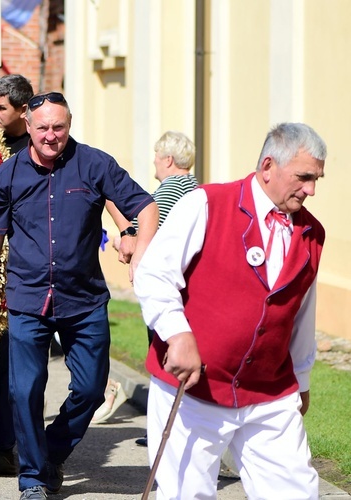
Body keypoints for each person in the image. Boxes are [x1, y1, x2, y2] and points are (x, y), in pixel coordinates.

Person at [0, 91, 158, 500]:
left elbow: (145, 208)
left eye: (59, 127)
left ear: (70, 124)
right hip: (28, 300)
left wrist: (140, 256)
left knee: (92, 390)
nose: (51, 136)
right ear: (28, 125)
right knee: (24, 390)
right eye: (42, 128)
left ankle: (51, 450)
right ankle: (34, 479)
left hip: (85, 299)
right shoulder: (7, 175)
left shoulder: (94, 164)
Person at [134, 122, 326, 499]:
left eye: (317, 179)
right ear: (268, 166)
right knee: (186, 494)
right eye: (303, 177)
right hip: (192, 391)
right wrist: (178, 332)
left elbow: (301, 312)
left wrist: (301, 379)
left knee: (295, 493)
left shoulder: (312, 233)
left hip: (270, 395)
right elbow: (154, 274)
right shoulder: (206, 204)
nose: (311, 190)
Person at [92, 131, 199, 431]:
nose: (153, 160)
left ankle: (166, 430)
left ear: (168, 159)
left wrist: (116, 238)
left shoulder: (168, 191)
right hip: (187, 285)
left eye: (156, 155)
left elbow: (143, 234)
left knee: (164, 355)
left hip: (166, 286)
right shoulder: (194, 188)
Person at [0, 74, 34, 477]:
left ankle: (3, 442)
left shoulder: (40, 147)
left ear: (22, 110)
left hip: (25, 267)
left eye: (0, 109)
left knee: (16, 363)